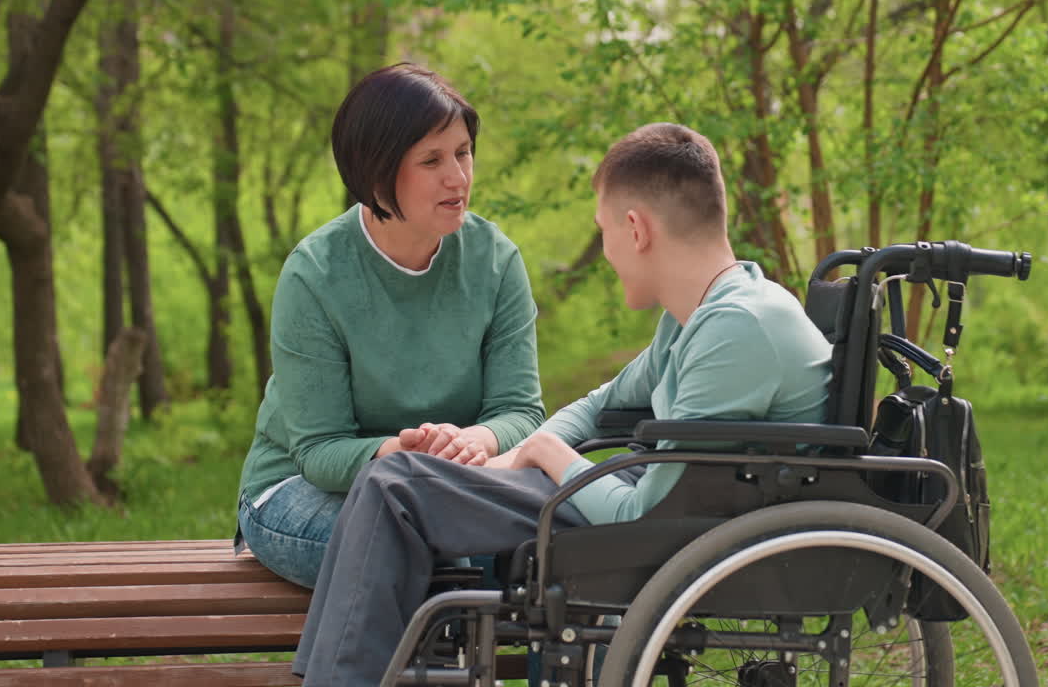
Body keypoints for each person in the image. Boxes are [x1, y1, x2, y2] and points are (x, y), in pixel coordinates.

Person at [292, 122, 834, 685]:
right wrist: (521, 453)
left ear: (636, 229)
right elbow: (601, 404)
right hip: (675, 507)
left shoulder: (736, 329)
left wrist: (548, 454)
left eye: (603, 230)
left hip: (681, 530)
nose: (606, 253)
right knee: (396, 481)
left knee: (396, 484)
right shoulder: (706, 313)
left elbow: (641, 515)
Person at [235, 64, 546, 588]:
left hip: (444, 489)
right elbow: (319, 451)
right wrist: (410, 453)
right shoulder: (315, 274)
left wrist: (475, 440)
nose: (458, 177)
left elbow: (521, 411)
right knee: (435, 552)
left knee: (549, 550)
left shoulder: (495, 260)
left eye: (463, 152)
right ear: (378, 172)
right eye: (432, 160)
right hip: (301, 491)